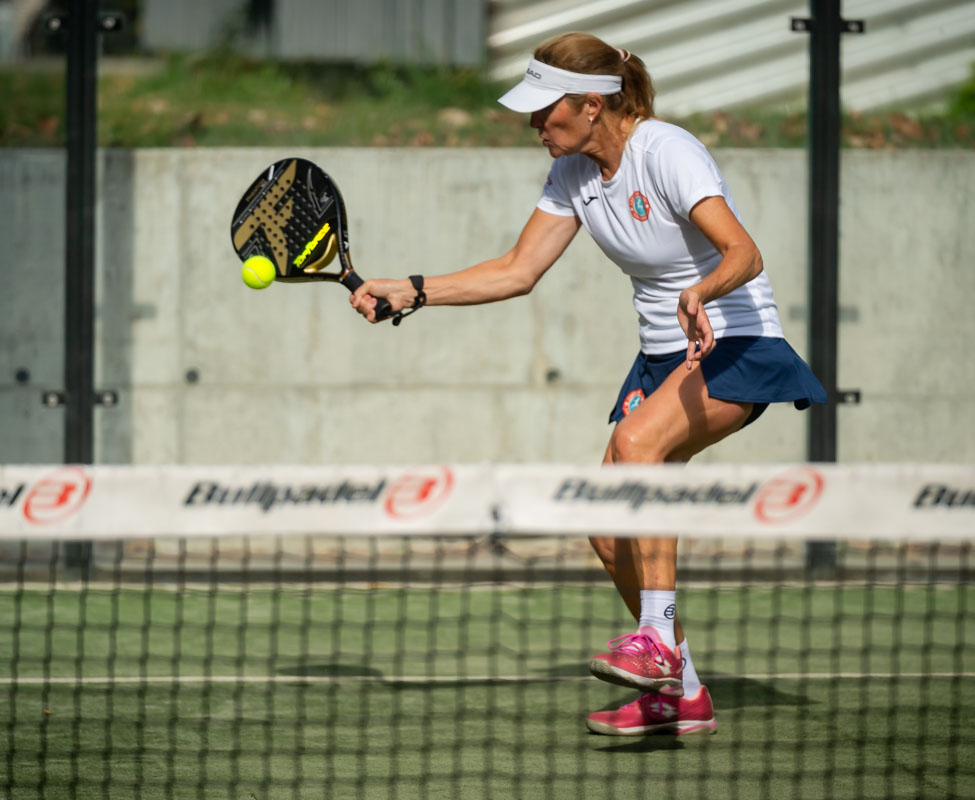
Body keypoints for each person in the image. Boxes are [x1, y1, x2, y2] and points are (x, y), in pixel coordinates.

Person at [349, 32, 826, 736]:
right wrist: (412, 289)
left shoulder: (667, 151)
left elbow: (743, 253)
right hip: (662, 357)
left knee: (638, 444)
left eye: (546, 111)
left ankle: (656, 641)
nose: (534, 124)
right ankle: (682, 693)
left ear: (592, 105)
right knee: (608, 534)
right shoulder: (572, 173)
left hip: (735, 343)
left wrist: (702, 292)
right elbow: (517, 270)